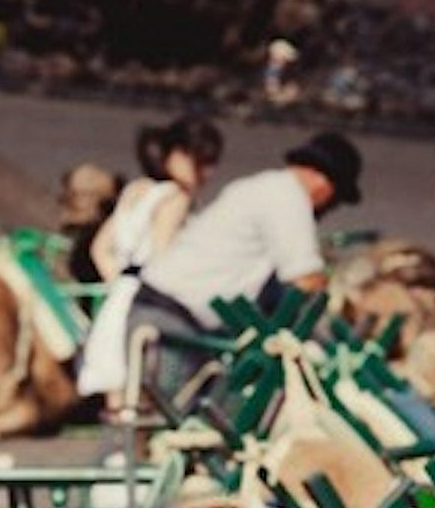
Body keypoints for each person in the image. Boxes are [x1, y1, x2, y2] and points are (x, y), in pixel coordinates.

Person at [125, 130, 362, 361]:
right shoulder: (289, 197)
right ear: (324, 183)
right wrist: (341, 328)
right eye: (336, 198)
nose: (331, 207)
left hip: (156, 305)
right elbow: (305, 279)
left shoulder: (259, 187)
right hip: (175, 318)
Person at [75, 115, 223, 406]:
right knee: (147, 391)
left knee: (116, 392)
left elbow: (100, 248)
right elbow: (163, 257)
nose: (207, 173)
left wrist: (120, 284)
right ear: (177, 155)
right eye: (201, 162)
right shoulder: (176, 198)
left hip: (119, 298)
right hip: (152, 300)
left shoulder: (136, 190)